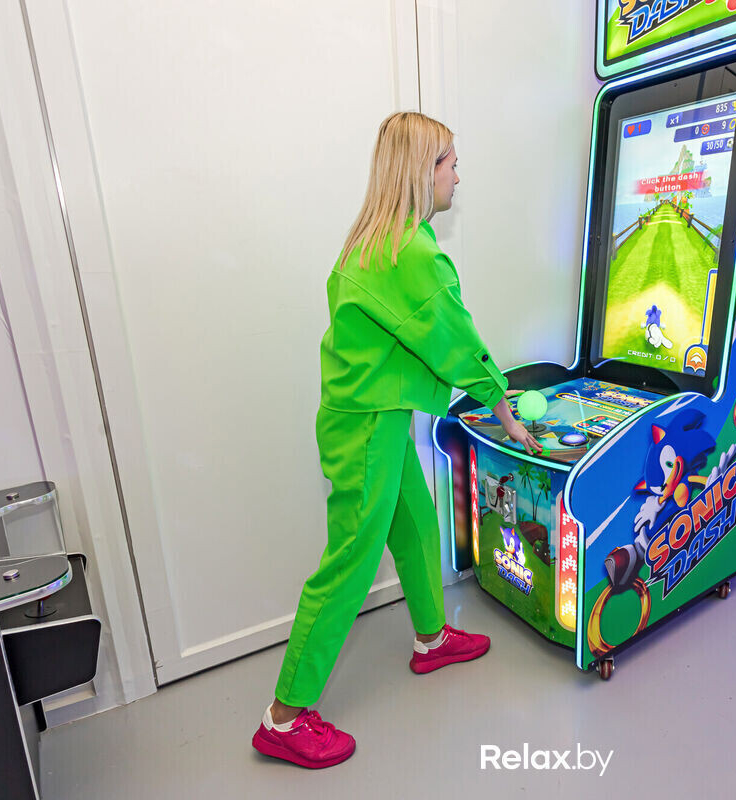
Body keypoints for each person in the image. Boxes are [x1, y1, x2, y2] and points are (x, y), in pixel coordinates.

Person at [251, 111, 542, 769]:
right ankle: (284, 716)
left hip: (377, 416)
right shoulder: (410, 253)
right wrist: (506, 412)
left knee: (414, 525)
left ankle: (431, 638)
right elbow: (456, 339)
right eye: (450, 163)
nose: (457, 176)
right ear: (422, 171)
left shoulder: (376, 242)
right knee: (350, 561)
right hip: (367, 426)